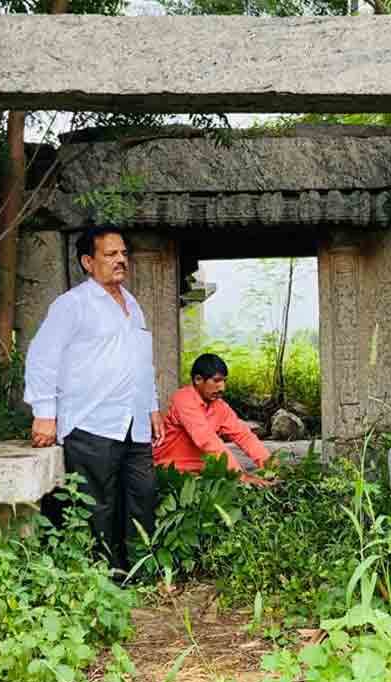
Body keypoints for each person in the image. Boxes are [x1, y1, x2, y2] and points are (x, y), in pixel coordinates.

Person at [24, 226, 164, 571]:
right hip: (91, 422)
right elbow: (42, 357)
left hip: (133, 423)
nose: (120, 260)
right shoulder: (72, 305)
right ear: (88, 261)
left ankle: (140, 572)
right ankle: (104, 578)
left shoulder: (133, 304)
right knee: (97, 505)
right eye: (110, 254)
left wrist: (153, 407)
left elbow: (141, 361)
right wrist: (45, 413)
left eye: (123, 253)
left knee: (142, 497)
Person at [154, 353, 271, 486]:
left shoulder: (220, 407)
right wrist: (240, 476)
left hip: (200, 475)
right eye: (216, 381)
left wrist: (272, 465)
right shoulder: (183, 399)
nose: (222, 387)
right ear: (198, 379)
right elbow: (207, 440)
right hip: (168, 473)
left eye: (224, 381)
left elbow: (244, 436)